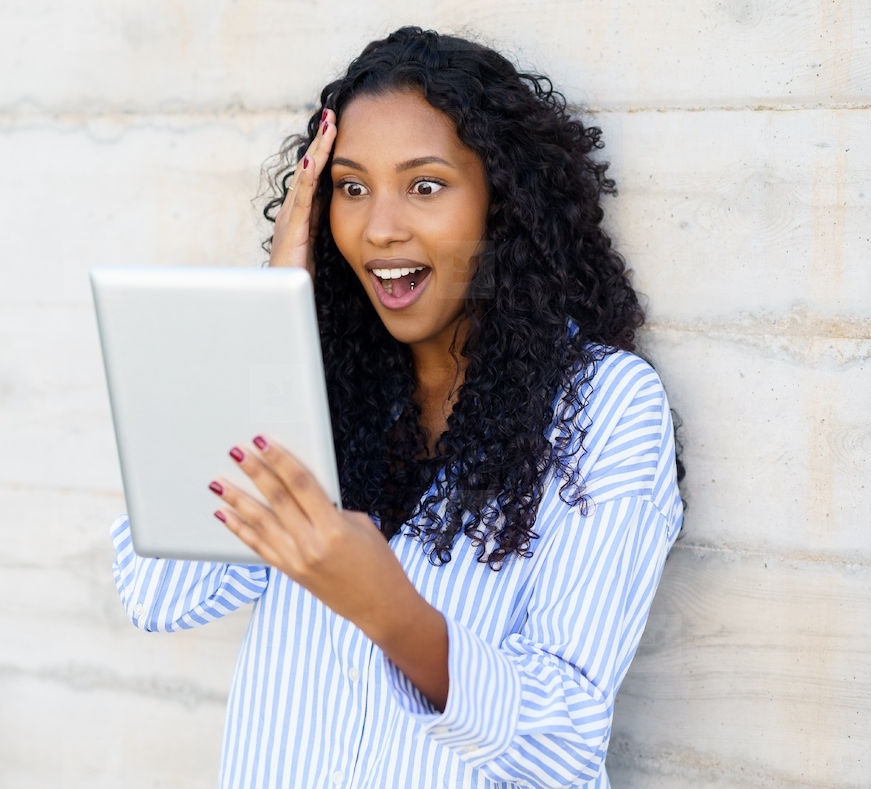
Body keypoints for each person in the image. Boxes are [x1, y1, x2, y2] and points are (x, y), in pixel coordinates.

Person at [110, 26, 683, 788]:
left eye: (425, 185)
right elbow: (157, 593)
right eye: (351, 187)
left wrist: (395, 616)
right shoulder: (318, 386)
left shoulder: (605, 407)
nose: (380, 227)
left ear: (500, 205)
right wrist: (272, 323)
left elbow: (567, 740)